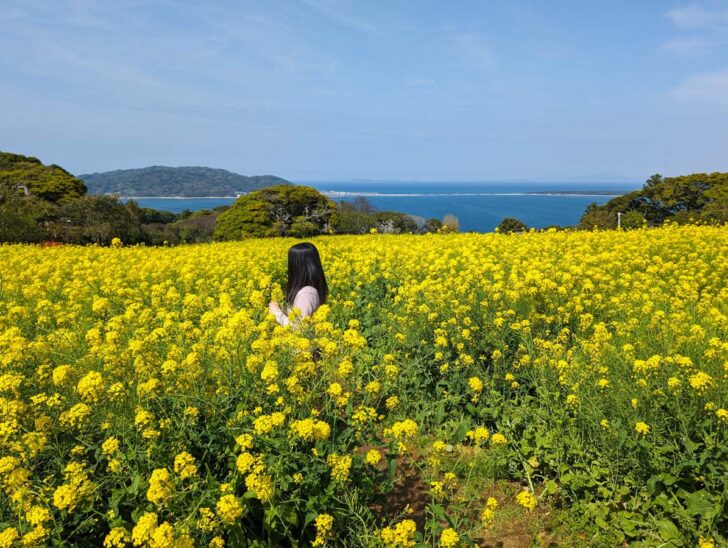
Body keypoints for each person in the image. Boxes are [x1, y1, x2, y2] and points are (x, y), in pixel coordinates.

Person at [269, 242, 328, 327]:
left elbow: (300, 328)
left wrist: (277, 313)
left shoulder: (306, 294)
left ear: (296, 265)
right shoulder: (310, 289)